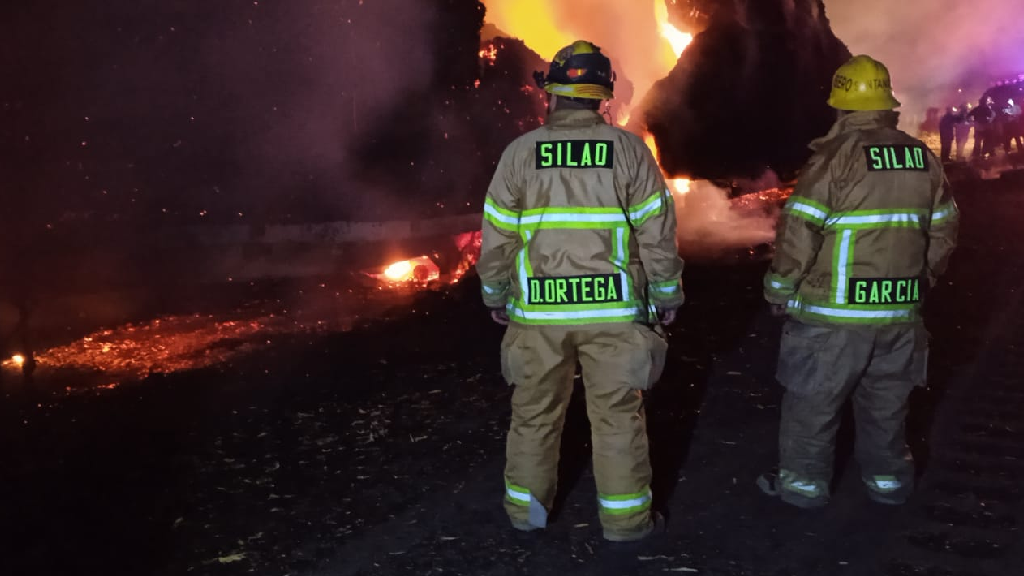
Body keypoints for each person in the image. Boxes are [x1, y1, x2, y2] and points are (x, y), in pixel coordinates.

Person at [475, 40, 684, 542]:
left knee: (534, 416)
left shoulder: (520, 154)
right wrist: (666, 292)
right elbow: (657, 231)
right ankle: (626, 524)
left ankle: (526, 515)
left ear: (552, 95)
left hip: (540, 317)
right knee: (616, 418)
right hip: (614, 315)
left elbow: (498, 233)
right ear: (602, 96)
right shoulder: (630, 151)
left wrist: (495, 293)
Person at [759, 55, 959, 508]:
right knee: (887, 406)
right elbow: (944, 227)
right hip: (899, 313)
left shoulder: (836, 158)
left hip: (834, 316)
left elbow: (799, 231)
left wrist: (779, 289)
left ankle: (803, 489)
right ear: (886, 103)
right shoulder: (920, 155)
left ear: (841, 105)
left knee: (813, 402)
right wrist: (920, 279)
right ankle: (889, 484)